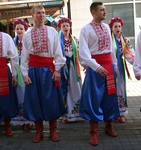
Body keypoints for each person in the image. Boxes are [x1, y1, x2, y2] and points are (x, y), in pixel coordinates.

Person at [21, 5, 66, 143]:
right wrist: (25, 74)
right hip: (33, 72)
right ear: (32, 15)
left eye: (43, 13)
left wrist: (57, 69)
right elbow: (24, 57)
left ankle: (53, 130)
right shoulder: (27, 34)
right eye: (38, 13)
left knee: (50, 100)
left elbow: (58, 52)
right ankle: (39, 131)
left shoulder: (52, 31)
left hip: (49, 71)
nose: (41, 15)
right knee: (36, 101)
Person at [79, 2, 120, 146]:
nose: (105, 12)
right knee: (94, 99)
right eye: (102, 10)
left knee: (109, 98)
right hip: (95, 69)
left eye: (104, 10)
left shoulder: (106, 28)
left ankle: (109, 126)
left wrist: (114, 66)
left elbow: (111, 49)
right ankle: (93, 132)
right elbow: (83, 53)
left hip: (108, 66)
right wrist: (96, 67)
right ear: (94, 13)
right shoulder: (85, 30)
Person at [0, 13, 19, 142]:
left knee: (5, 98)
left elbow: (13, 57)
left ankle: (7, 126)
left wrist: (14, 74)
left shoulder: (6, 37)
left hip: (3, 71)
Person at [109, 16, 135, 123]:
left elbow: (130, 54)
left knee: (121, 88)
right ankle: (114, 113)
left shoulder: (125, 40)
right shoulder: (109, 39)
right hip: (111, 67)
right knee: (112, 89)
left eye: (119, 26)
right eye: (115, 26)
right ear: (111, 28)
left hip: (120, 66)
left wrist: (137, 64)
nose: (118, 28)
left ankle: (122, 112)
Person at [57, 17, 82, 123]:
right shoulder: (58, 40)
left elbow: (80, 53)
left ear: (70, 26)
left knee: (75, 88)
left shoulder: (75, 40)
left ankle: (77, 113)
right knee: (64, 89)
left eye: (67, 25)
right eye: (63, 26)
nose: (66, 28)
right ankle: (66, 114)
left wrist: (83, 63)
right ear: (60, 28)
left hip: (74, 68)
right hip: (63, 68)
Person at [11, 18, 32, 130]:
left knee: (27, 94)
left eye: (21, 28)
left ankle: (28, 120)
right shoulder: (12, 42)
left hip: (26, 71)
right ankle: (21, 119)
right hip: (16, 71)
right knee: (18, 94)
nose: (19, 31)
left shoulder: (28, 41)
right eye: (17, 29)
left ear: (25, 29)